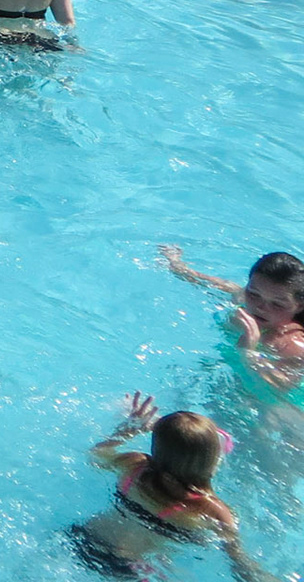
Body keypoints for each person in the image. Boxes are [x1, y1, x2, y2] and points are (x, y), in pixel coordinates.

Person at [69, 394, 273, 582]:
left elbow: (96, 456)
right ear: (212, 462)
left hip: (83, 538)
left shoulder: (134, 465)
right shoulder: (211, 509)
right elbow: (239, 563)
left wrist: (125, 431)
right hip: (126, 566)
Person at [161, 248, 304, 401]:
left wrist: (249, 353)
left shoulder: (293, 345)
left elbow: (278, 391)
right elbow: (218, 285)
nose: (260, 307)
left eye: (277, 304)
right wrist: (176, 264)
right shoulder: (244, 299)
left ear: (299, 306)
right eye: (253, 294)